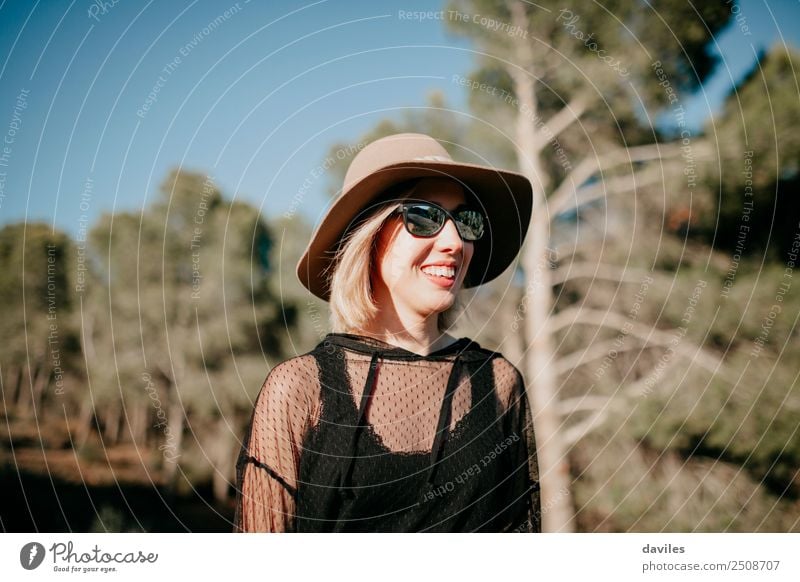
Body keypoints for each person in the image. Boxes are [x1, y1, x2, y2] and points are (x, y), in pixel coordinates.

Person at [233, 133, 541, 532]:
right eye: (424, 216)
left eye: (465, 221)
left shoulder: (498, 384)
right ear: (370, 236)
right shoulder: (300, 389)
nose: (454, 242)